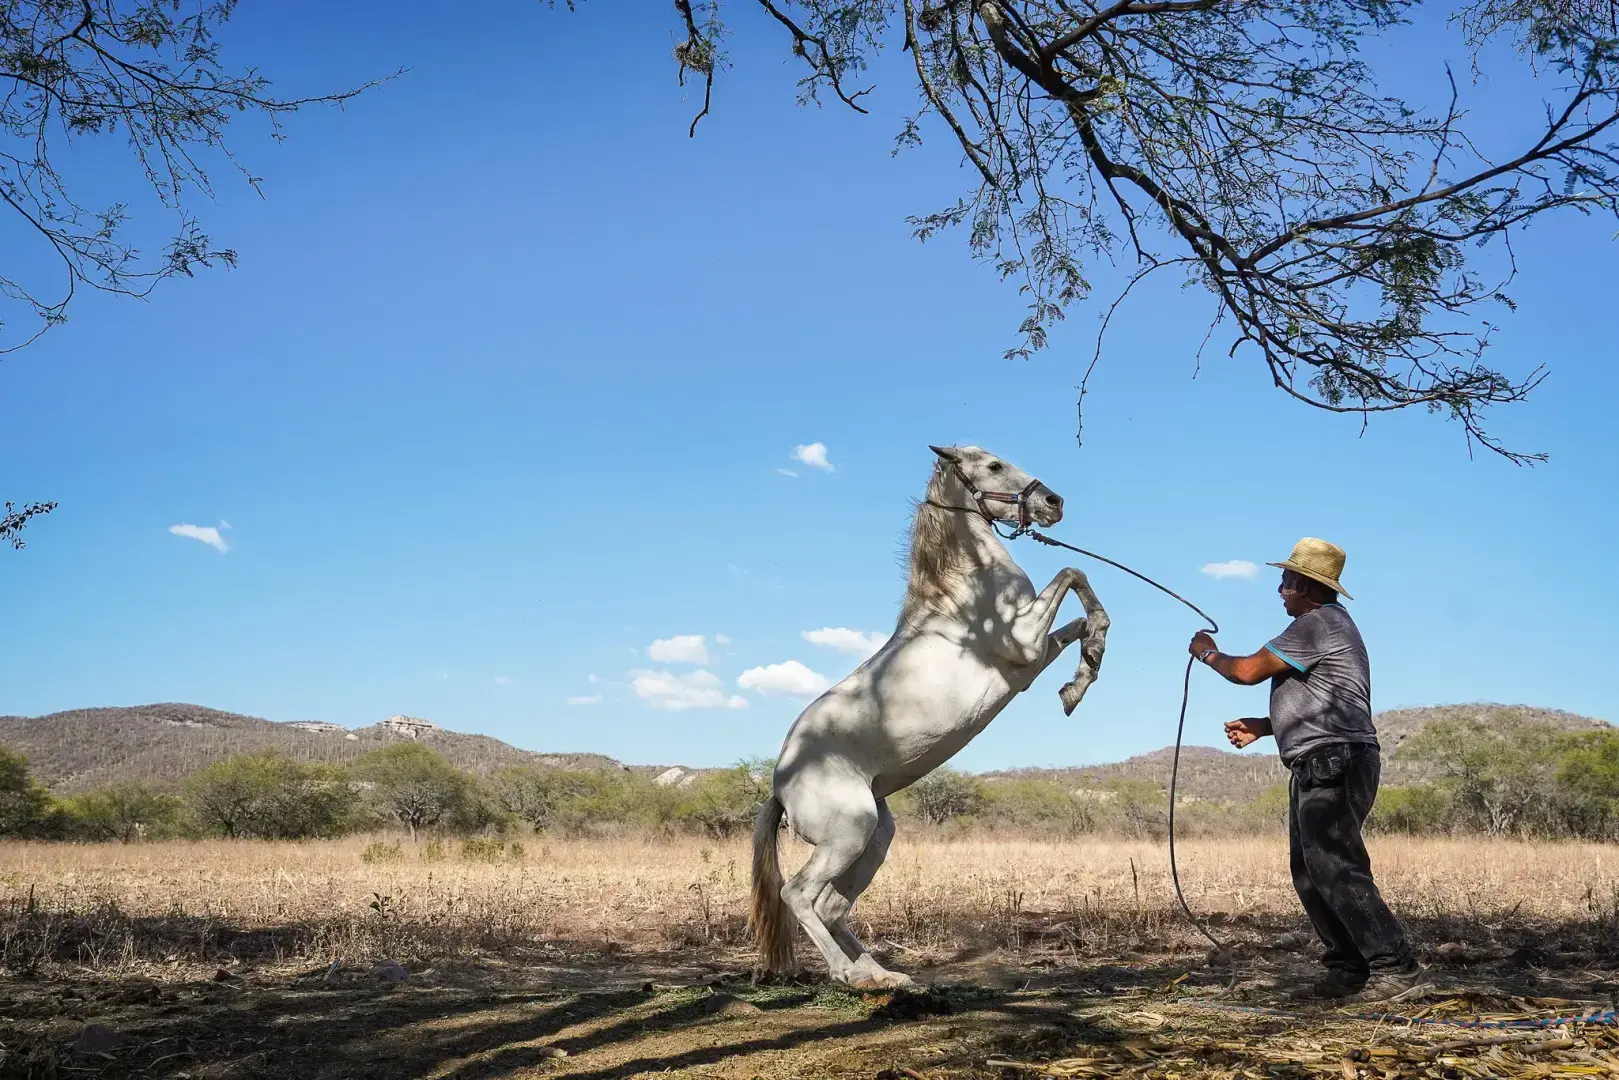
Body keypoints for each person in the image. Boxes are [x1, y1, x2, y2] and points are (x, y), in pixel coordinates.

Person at [1187, 537, 1428, 1004]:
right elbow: (1322, 703)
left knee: (1335, 865)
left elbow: (1248, 671)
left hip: (1334, 760)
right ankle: (1350, 967)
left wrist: (1208, 653)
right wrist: (1266, 725)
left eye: (1285, 580)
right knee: (1312, 868)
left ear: (1303, 583)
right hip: (1322, 758)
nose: (1279, 589)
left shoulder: (1316, 624)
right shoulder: (1325, 626)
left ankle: (1395, 966)